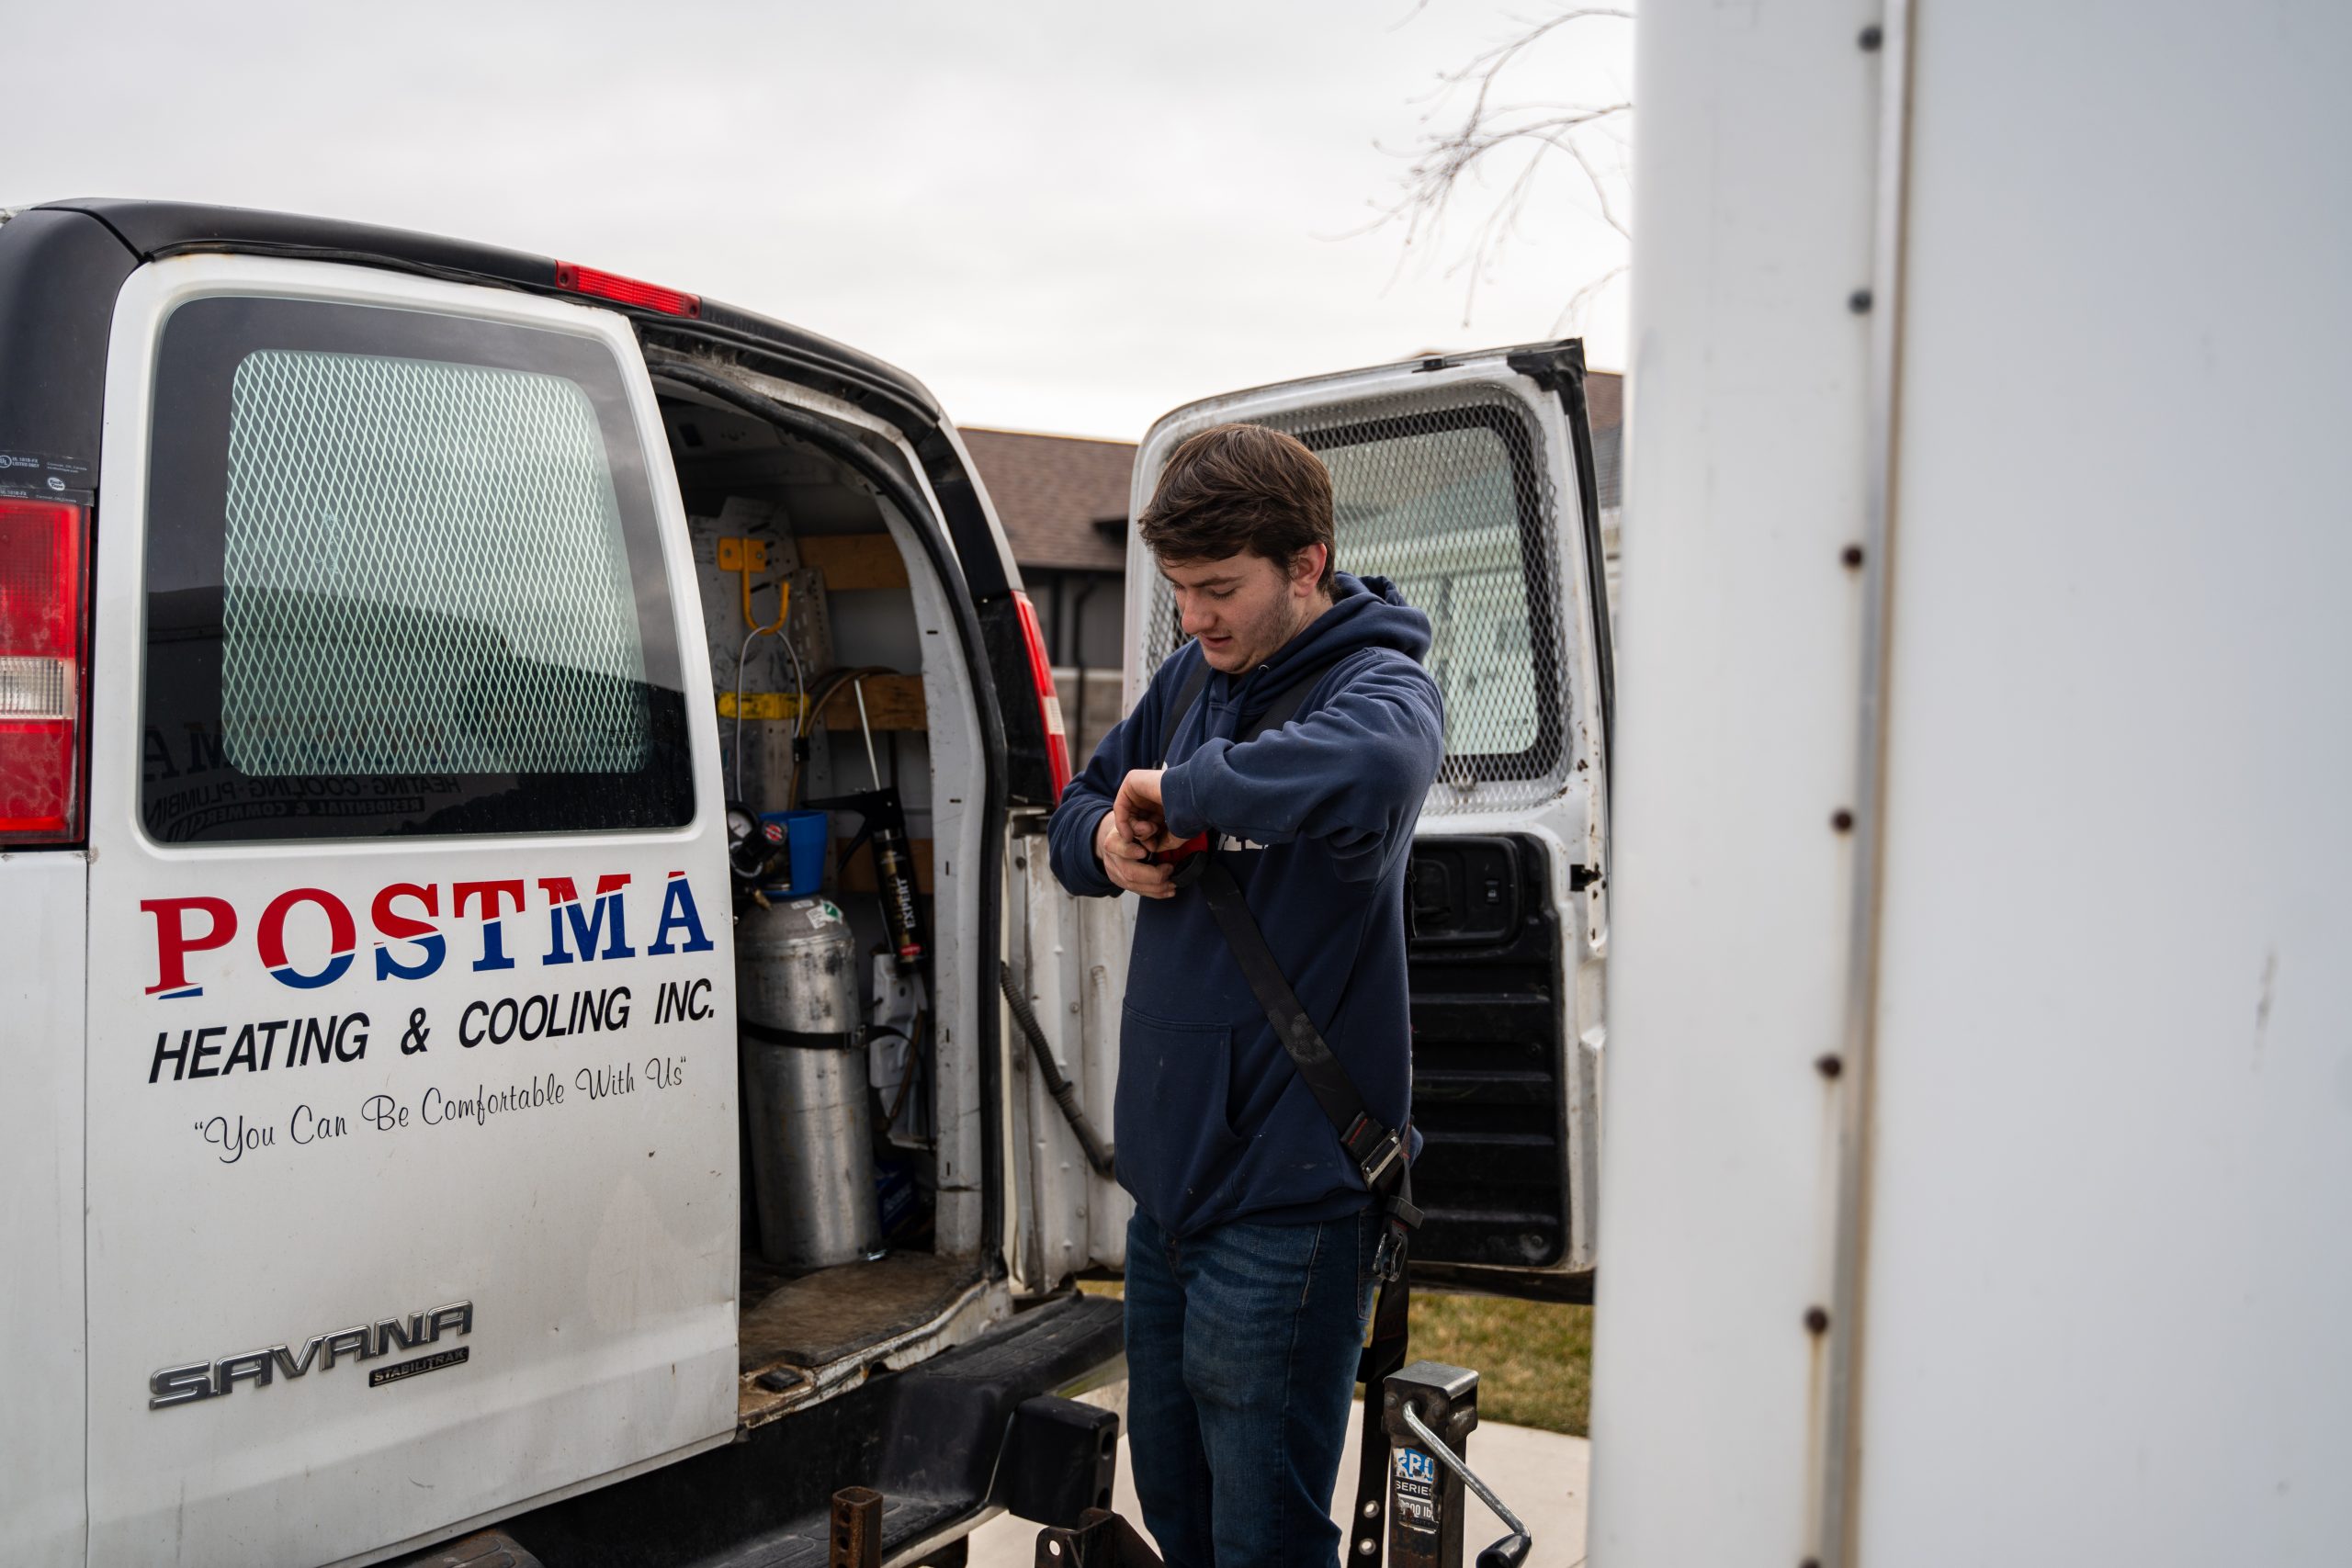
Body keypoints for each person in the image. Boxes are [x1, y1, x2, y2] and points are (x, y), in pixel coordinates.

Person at [1046, 422, 1445, 1566]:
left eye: (1219, 589)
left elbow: (1371, 767)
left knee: (1262, 1537)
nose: (1194, 619)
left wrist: (1185, 791)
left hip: (1288, 1198)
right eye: (1179, 591)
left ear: (1307, 563)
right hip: (1170, 1197)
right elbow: (1083, 799)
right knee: (1178, 1509)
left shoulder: (1384, 685)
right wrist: (1105, 850)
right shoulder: (1188, 677)